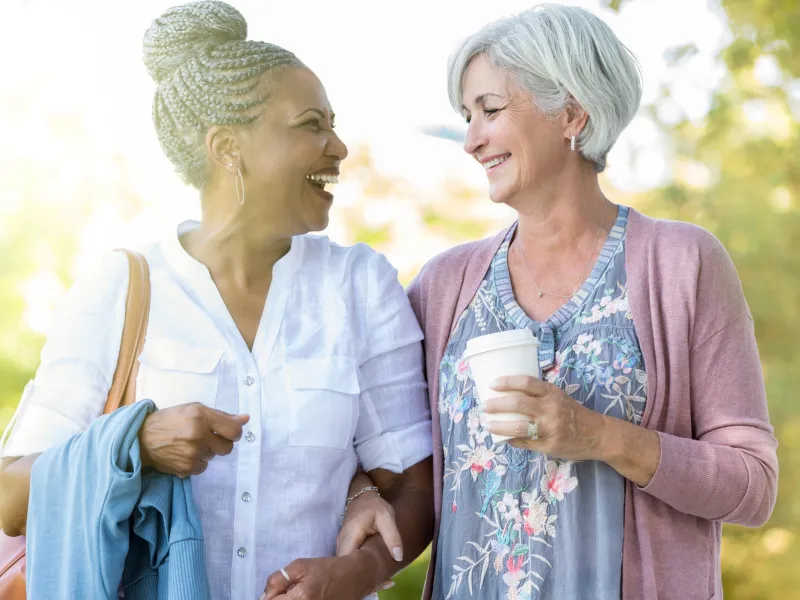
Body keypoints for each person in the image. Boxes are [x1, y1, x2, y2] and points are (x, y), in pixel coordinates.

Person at [0, 2, 433, 599]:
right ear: (228, 146)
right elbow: (10, 498)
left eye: (333, 125)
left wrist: (356, 573)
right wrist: (136, 444)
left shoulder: (360, 286)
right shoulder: (121, 286)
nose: (338, 146)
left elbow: (413, 486)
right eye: (311, 125)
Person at [406, 5, 779, 600]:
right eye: (466, 116)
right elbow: (399, 468)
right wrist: (362, 499)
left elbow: (753, 484)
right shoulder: (442, 286)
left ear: (572, 113)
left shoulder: (681, 264)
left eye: (491, 110)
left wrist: (599, 436)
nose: (472, 140)